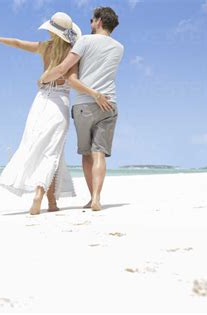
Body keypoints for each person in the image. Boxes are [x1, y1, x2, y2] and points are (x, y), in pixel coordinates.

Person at [0, 12, 108, 215]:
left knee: (36, 145)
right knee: (52, 152)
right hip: (60, 102)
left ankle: (52, 202)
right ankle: (40, 194)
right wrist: (95, 93)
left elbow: (18, 43)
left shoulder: (44, 47)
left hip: (40, 101)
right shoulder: (73, 53)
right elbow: (74, 80)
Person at [39, 7, 124, 211]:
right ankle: (96, 198)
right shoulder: (120, 47)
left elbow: (63, 70)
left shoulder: (84, 41)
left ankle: (91, 198)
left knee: (86, 154)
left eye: (92, 20)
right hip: (109, 103)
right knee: (99, 153)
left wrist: (43, 79)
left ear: (99, 21)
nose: (90, 23)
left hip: (84, 104)